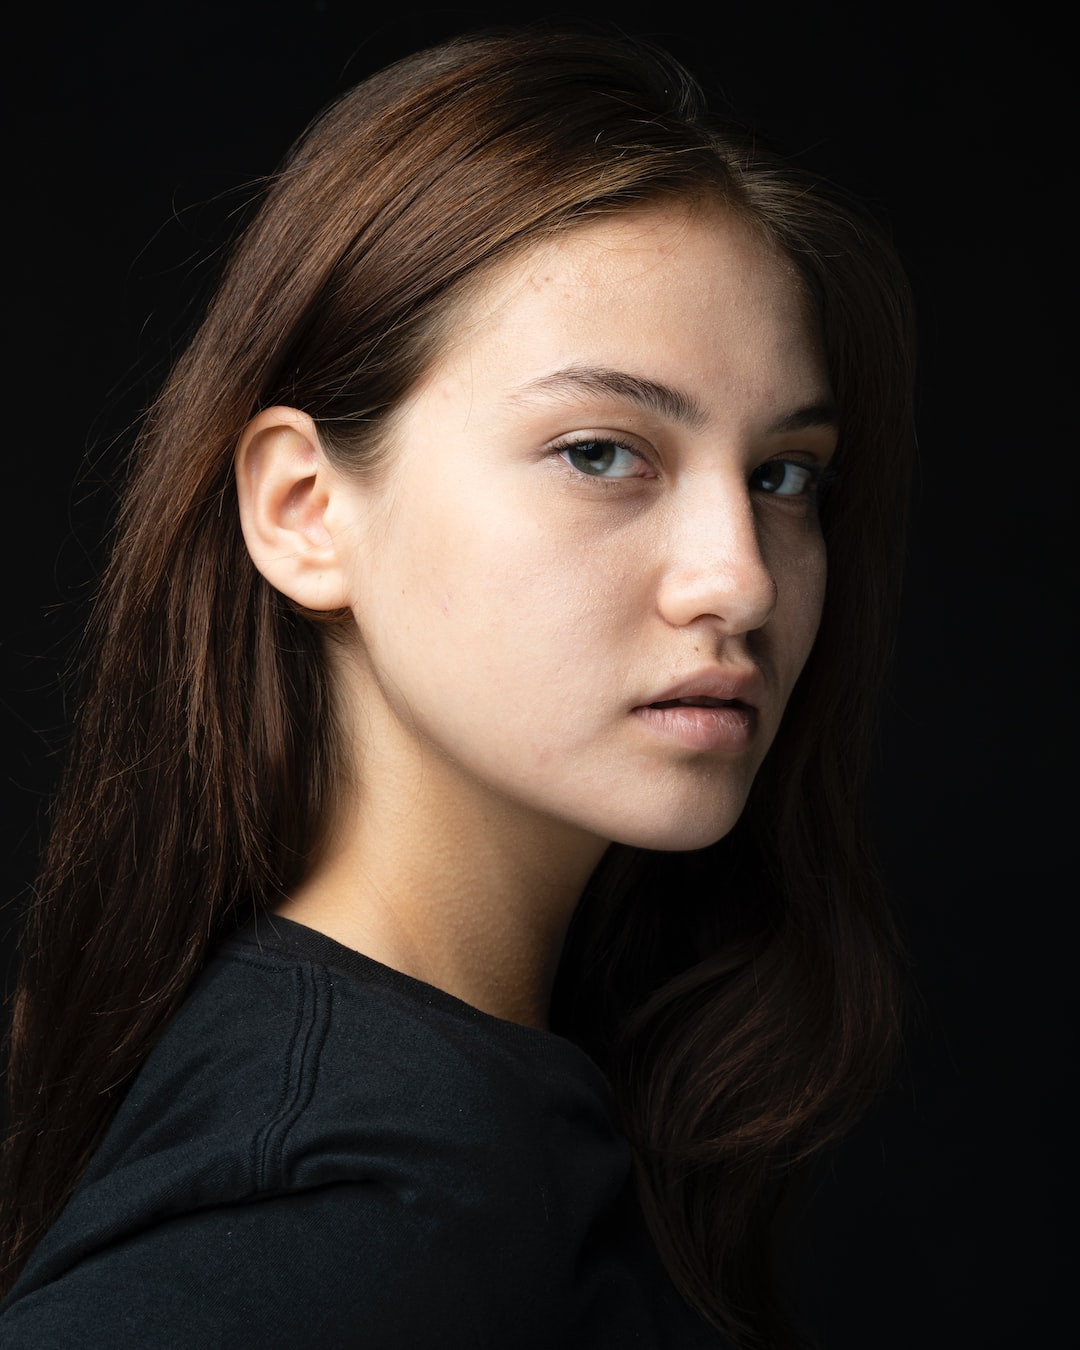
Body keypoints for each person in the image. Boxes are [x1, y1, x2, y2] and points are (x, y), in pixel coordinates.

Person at [0, 28, 915, 1349]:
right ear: (305, 510)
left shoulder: (484, 1096)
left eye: (784, 476)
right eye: (602, 451)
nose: (742, 580)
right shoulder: (369, 1192)